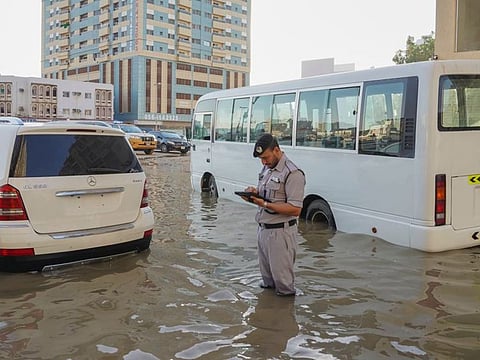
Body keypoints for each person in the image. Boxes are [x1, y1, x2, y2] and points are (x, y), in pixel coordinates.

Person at [241, 133, 305, 296]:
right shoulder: (267, 168)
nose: (263, 162)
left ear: (277, 150)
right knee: (267, 283)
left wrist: (265, 204)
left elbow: (295, 209)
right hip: (263, 230)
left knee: (284, 287)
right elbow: (267, 195)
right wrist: (254, 194)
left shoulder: (293, 173)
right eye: (261, 159)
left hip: (280, 233)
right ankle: (267, 317)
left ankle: (285, 318)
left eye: (266, 157)